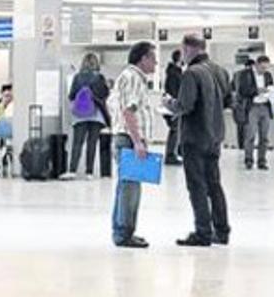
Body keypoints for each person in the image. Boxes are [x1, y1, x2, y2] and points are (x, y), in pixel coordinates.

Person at [173, 33, 231, 247]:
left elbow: (185, 106)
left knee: (196, 185)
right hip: (215, 135)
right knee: (214, 184)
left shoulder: (192, 73)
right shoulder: (220, 71)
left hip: (194, 137)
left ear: (189, 49)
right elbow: (228, 100)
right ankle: (222, 230)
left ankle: (203, 232)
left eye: (183, 50)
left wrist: (170, 104)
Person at [108, 41, 157, 249]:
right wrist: (138, 141)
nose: (155, 63)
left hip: (125, 137)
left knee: (126, 187)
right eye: (153, 59)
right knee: (130, 189)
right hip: (129, 139)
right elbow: (129, 111)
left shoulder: (127, 77)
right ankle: (124, 233)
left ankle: (122, 230)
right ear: (143, 59)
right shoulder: (134, 78)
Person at [62, 53, 111, 180]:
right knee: (92, 143)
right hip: (96, 115)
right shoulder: (100, 77)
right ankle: (89, 172)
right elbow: (105, 94)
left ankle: (72, 170)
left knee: (77, 143)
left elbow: (71, 95)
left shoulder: (77, 77)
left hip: (80, 114)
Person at [239, 55, 274, 170]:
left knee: (264, 137)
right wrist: (257, 91)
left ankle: (262, 160)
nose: (264, 70)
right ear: (256, 65)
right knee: (250, 135)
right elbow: (242, 91)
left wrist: (271, 91)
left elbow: (271, 86)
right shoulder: (246, 74)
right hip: (252, 107)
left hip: (265, 106)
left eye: (266, 68)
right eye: (262, 68)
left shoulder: (268, 75)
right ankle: (249, 160)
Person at [162, 50, 184, 165]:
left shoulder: (175, 72)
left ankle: (175, 152)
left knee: (177, 130)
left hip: (175, 104)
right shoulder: (174, 73)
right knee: (175, 130)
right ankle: (170, 155)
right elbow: (174, 90)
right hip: (174, 105)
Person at [230, 59, 253, 150]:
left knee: (240, 125)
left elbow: (231, 88)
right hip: (247, 103)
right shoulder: (251, 75)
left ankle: (241, 145)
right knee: (247, 125)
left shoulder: (236, 74)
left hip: (238, 103)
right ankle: (246, 144)